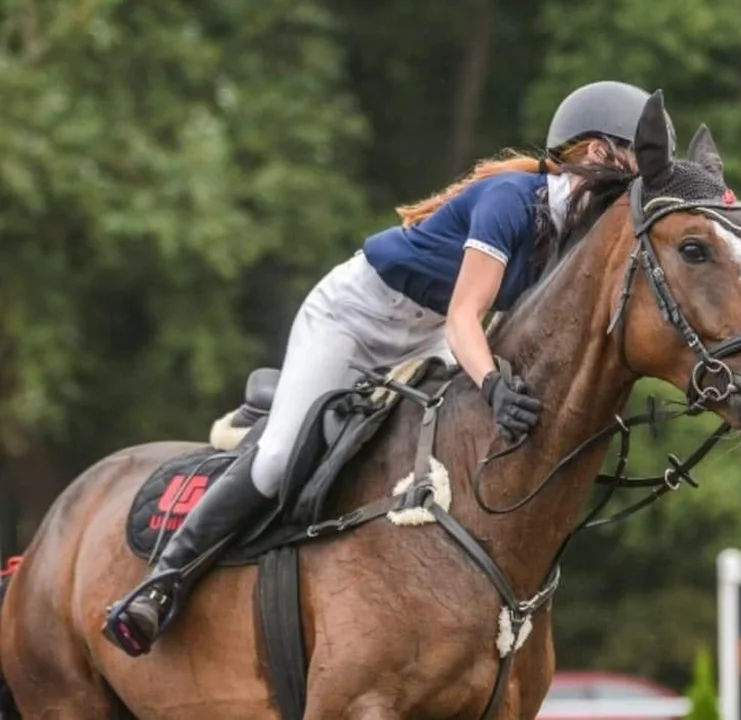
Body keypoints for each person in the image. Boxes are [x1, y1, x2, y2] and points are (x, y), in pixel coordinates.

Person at [102, 80, 663, 657]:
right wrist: (492, 384)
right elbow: (464, 319)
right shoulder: (511, 202)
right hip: (354, 316)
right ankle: (160, 585)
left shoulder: (570, 235)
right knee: (274, 465)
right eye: (633, 162)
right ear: (597, 153)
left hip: (423, 333)